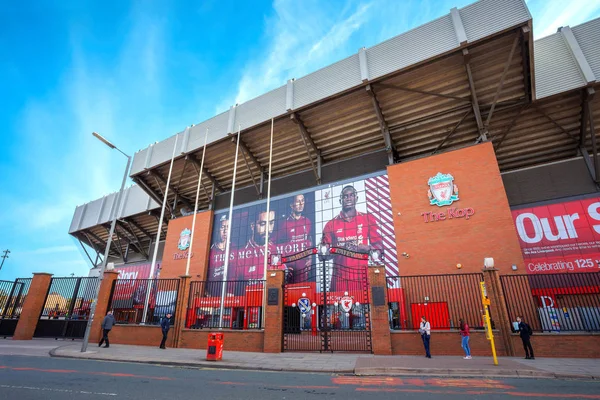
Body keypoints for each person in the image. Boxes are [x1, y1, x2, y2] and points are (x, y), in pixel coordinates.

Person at [321, 185, 383, 291]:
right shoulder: (330, 224)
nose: (348, 198)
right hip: (339, 281)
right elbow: (322, 255)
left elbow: (379, 248)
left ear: (356, 198)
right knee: (338, 308)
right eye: (345, 196)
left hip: (362, 278)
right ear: (340, 200)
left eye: (351, 195)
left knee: (366, 307)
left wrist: (364, 248)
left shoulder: (368, 218)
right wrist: (341, 249)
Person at [275, 194, 313, 282]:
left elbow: (310, 240)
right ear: (292, 205)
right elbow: (276, 245)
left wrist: (310, 259)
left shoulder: (307, 221)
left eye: (302, 200)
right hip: (290, 269)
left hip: (303, 269)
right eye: (297, 201)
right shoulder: (284, 224)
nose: (301, 203)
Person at [235, 208, 277, 281]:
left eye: (271, 223)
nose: (268, 229)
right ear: (252, 226)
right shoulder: (241, 255)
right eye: (263, 224)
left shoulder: (276, 249)